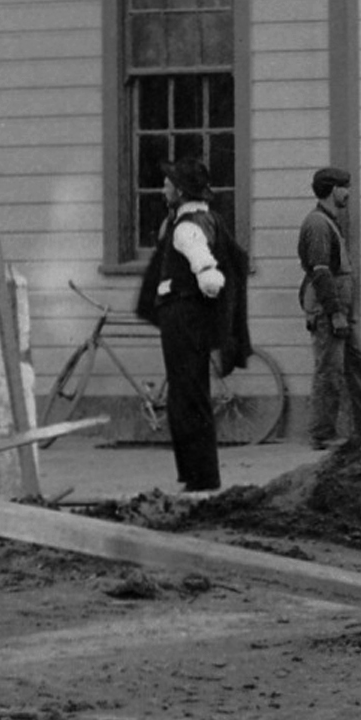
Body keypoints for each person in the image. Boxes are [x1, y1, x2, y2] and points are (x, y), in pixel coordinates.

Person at [131, 160, 250, 493]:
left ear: (181, 191)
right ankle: (197, 474)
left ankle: (200, 477)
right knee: (189, 394)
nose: (163, 188)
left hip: (182, 315)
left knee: (187, 397)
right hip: (187, 315)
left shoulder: (187, 228)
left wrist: (197, 293)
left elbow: (209, 275)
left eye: (168, 183)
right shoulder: (200, 219)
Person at [294, 167, 361, 448]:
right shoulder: (318, 224)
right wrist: (335, 313)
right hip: (330, 312)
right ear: (333, 190)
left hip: (342, 312)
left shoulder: (328, 221)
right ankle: (322, 434)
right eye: (345, 188)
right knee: (329, 371)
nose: (348, 193)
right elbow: (320, 272)